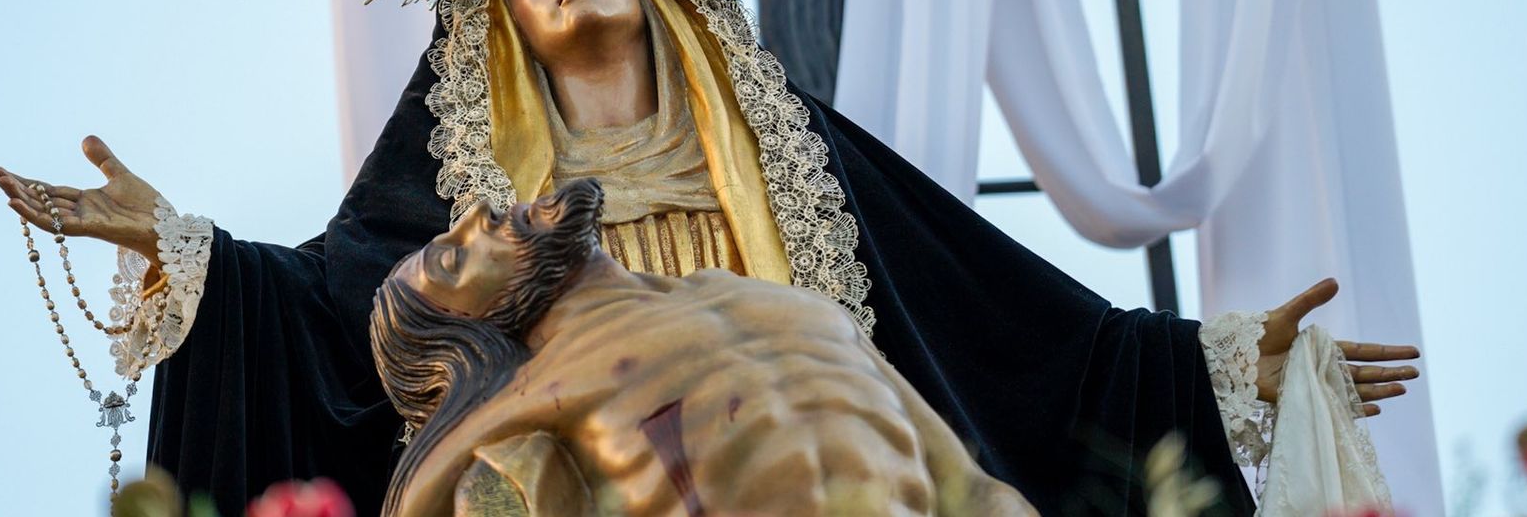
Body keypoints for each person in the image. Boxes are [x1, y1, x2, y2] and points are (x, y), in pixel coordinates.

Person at [0, 0, 1419, 515]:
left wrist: (1229, 364)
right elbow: (332, 316)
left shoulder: (800, 163)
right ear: (496, 25)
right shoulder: (472, 203)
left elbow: (1016, 339)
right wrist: (185, 249)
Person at [368, 177, 1036, 517]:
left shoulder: (783, 302)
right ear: (478, 326)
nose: (475, 217)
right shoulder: (543, 395)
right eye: (455, 261)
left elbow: (972, 488)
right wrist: (487, 414)